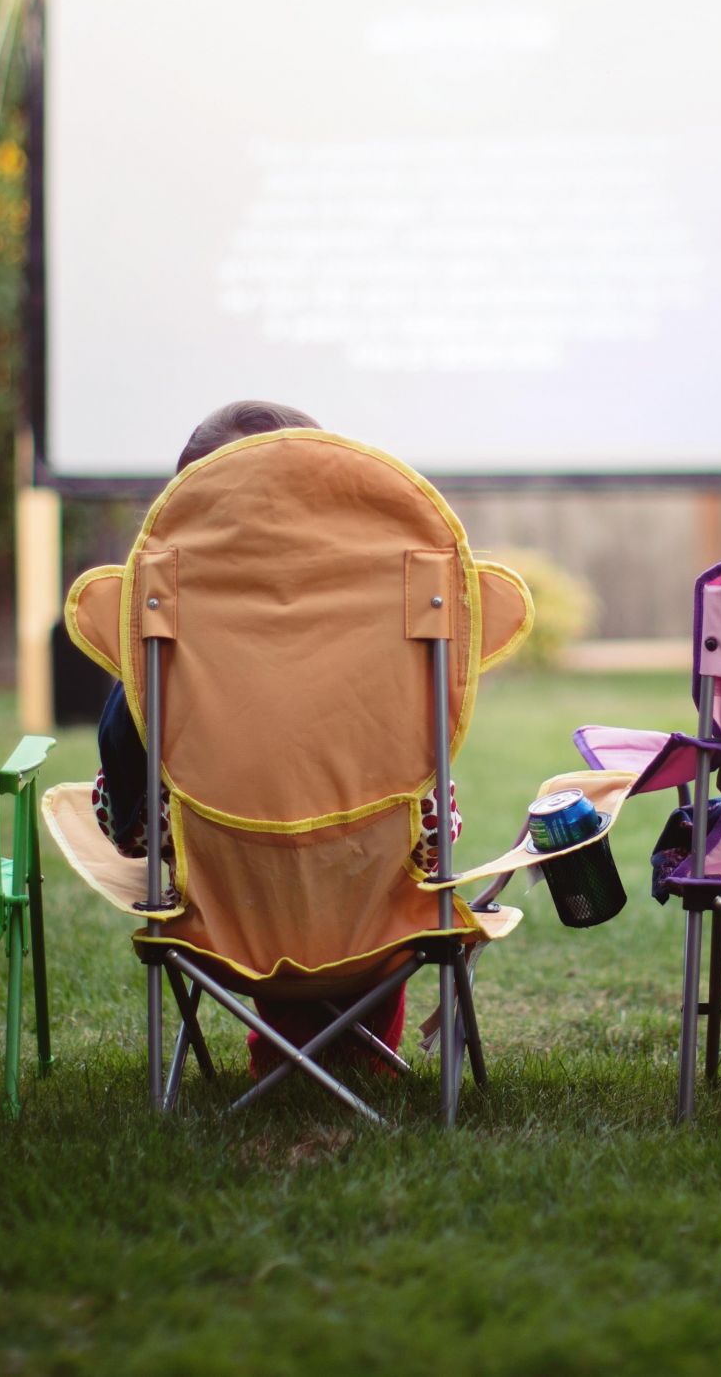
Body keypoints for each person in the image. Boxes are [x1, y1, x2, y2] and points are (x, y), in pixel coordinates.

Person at [91, 399, 452, 1077]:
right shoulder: (382, 608)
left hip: (223, 896)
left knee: (176, 815)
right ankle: (355, 1043)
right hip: (369, 882)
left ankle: (290, 1042)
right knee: (416, 821)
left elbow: (127, 809)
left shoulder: (160, 612)